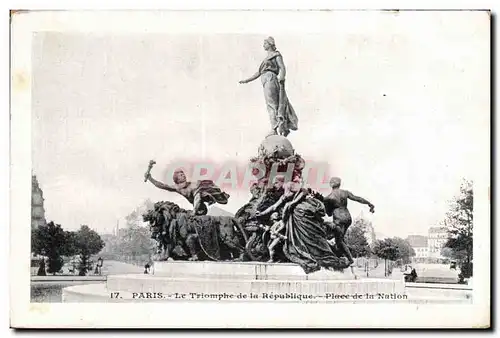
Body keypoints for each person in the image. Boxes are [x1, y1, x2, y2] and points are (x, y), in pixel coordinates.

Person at [239, 36, 298, 137]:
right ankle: (279, 126)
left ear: (270, 44)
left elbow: (282, 67)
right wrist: (247, 80)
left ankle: (274, 128)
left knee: (272, 104)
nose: (263, 45)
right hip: (266, 80)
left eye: (265, 43)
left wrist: (282, 78)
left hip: (271, 79)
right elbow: (258, 72)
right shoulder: (267, 58)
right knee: (271, 104)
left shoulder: (276, 55)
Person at [322, 177, 375, 266]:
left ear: (331, 184)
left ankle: (350, 259)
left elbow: (329, 214)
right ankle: (340, 255)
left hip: (339, 219)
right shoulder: (345, 193)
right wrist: (368, 203)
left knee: (338, 241)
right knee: (339, 239)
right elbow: (357, 198)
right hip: (348, 218)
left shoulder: (328, 198)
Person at [145, 169, 230, 215]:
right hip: (198, 206)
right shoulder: (177, 188)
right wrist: (150, 178)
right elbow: (162, 185)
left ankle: (208, 201)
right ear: (177, 179)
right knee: (198, 199)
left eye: (183, 174)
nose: (184, 175)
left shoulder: (194, 184)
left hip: (201, 197)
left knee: (199, 193)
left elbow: (206, 185)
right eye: (181, 175)